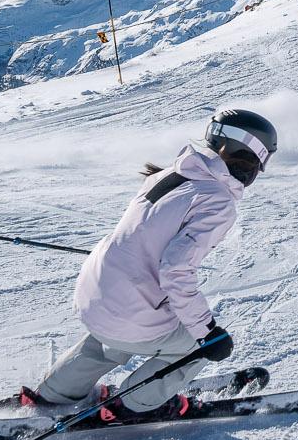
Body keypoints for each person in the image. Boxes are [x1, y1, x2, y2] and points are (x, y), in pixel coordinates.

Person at [21, 108, 278, 421]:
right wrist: (207, 333)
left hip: (94, 296)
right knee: (196, 344)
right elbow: (176, 271)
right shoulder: (216, 199)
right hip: (130, 311)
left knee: (109, 337)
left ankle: (52, 395)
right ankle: (136, 404)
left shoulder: (172, 174)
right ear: (250, 158)